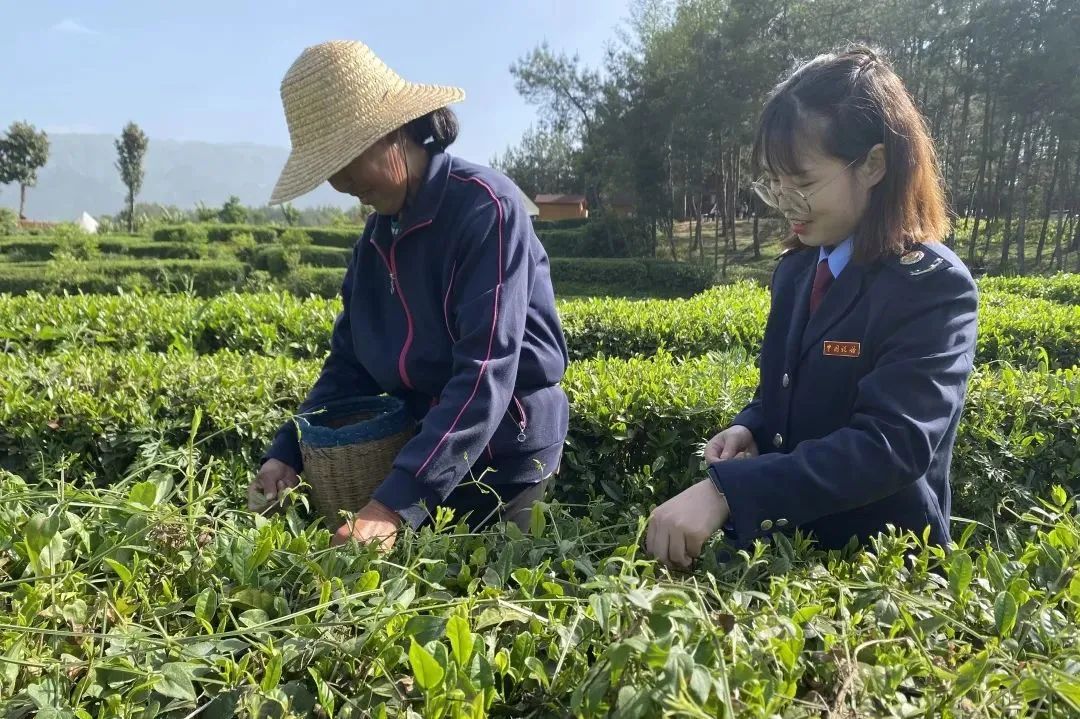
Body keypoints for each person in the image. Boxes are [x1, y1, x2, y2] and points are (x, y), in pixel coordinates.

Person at [646, 45, 979, 568]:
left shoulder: (931, 287)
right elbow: (783, 387)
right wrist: (750, 427)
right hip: (784, 554)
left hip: (879, 572)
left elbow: (890, 447)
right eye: (775, 184)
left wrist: (726, 492)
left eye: (801, 184)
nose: (785, 204)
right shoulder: (798, 269)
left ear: (872, 164)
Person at [248, 40, 570, 551]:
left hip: (505, 459)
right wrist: (286, 450)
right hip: (423, 453)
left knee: (481, 601)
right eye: (328, 168)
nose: (340, 182)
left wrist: (393, 505)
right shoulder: (375, 241)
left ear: (394, 133)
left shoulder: (485, 208)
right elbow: (348, 365)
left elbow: (486, 369)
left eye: (346, 159)